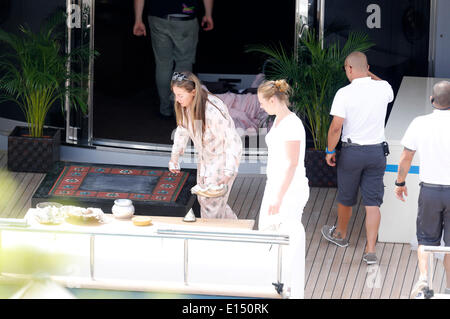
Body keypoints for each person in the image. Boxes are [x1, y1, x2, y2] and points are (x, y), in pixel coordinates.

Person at [321, 51, 394, 265]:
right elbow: (383, 85)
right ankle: (370, 250)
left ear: (349, 68)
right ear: (368, 67)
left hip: (352, 153)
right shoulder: (383, 88)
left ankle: (341, 235)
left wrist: (330, 150)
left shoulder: (344, 93)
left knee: (346, 197)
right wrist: (368, 72)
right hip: (376, 153)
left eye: (346, 69)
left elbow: (336, 127)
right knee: (373, 203)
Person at [394, 80, 450, 298]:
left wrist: (400, 182)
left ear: (431, 100)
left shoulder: (420, 123)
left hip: (430, 191)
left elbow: (406, 156)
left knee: (426, 240)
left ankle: (424, 280)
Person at [257, 79, 310, 299]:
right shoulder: (278, 120)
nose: (260, 106)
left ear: (272, 100)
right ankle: (275, 286)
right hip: (276, 186)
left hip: (289, 191)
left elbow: (292, 163)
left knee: (286, 242)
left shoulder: (292, 124)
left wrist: (278, 197)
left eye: (262, 102)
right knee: (268, 238)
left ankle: (287, 289)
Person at [169, 71, 242, 219]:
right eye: (175, 95)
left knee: (211, 205)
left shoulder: (212, 111)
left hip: (221, 161)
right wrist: (174, 157)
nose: (177, 100)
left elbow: (233, 140)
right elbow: (182, 130)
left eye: (180, 95)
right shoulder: (186, 106)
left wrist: (228, 171)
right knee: (209, 202)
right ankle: (239, 230)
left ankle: (212, 239)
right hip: (205, 160)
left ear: (193, 92)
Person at [133, 0, 214, 118]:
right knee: (184, 63)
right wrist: (208, 14)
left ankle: (165, 108)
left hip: (158, 17)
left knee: (163, 64)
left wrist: (138, 19)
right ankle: (179, 108)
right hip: (185, 16)